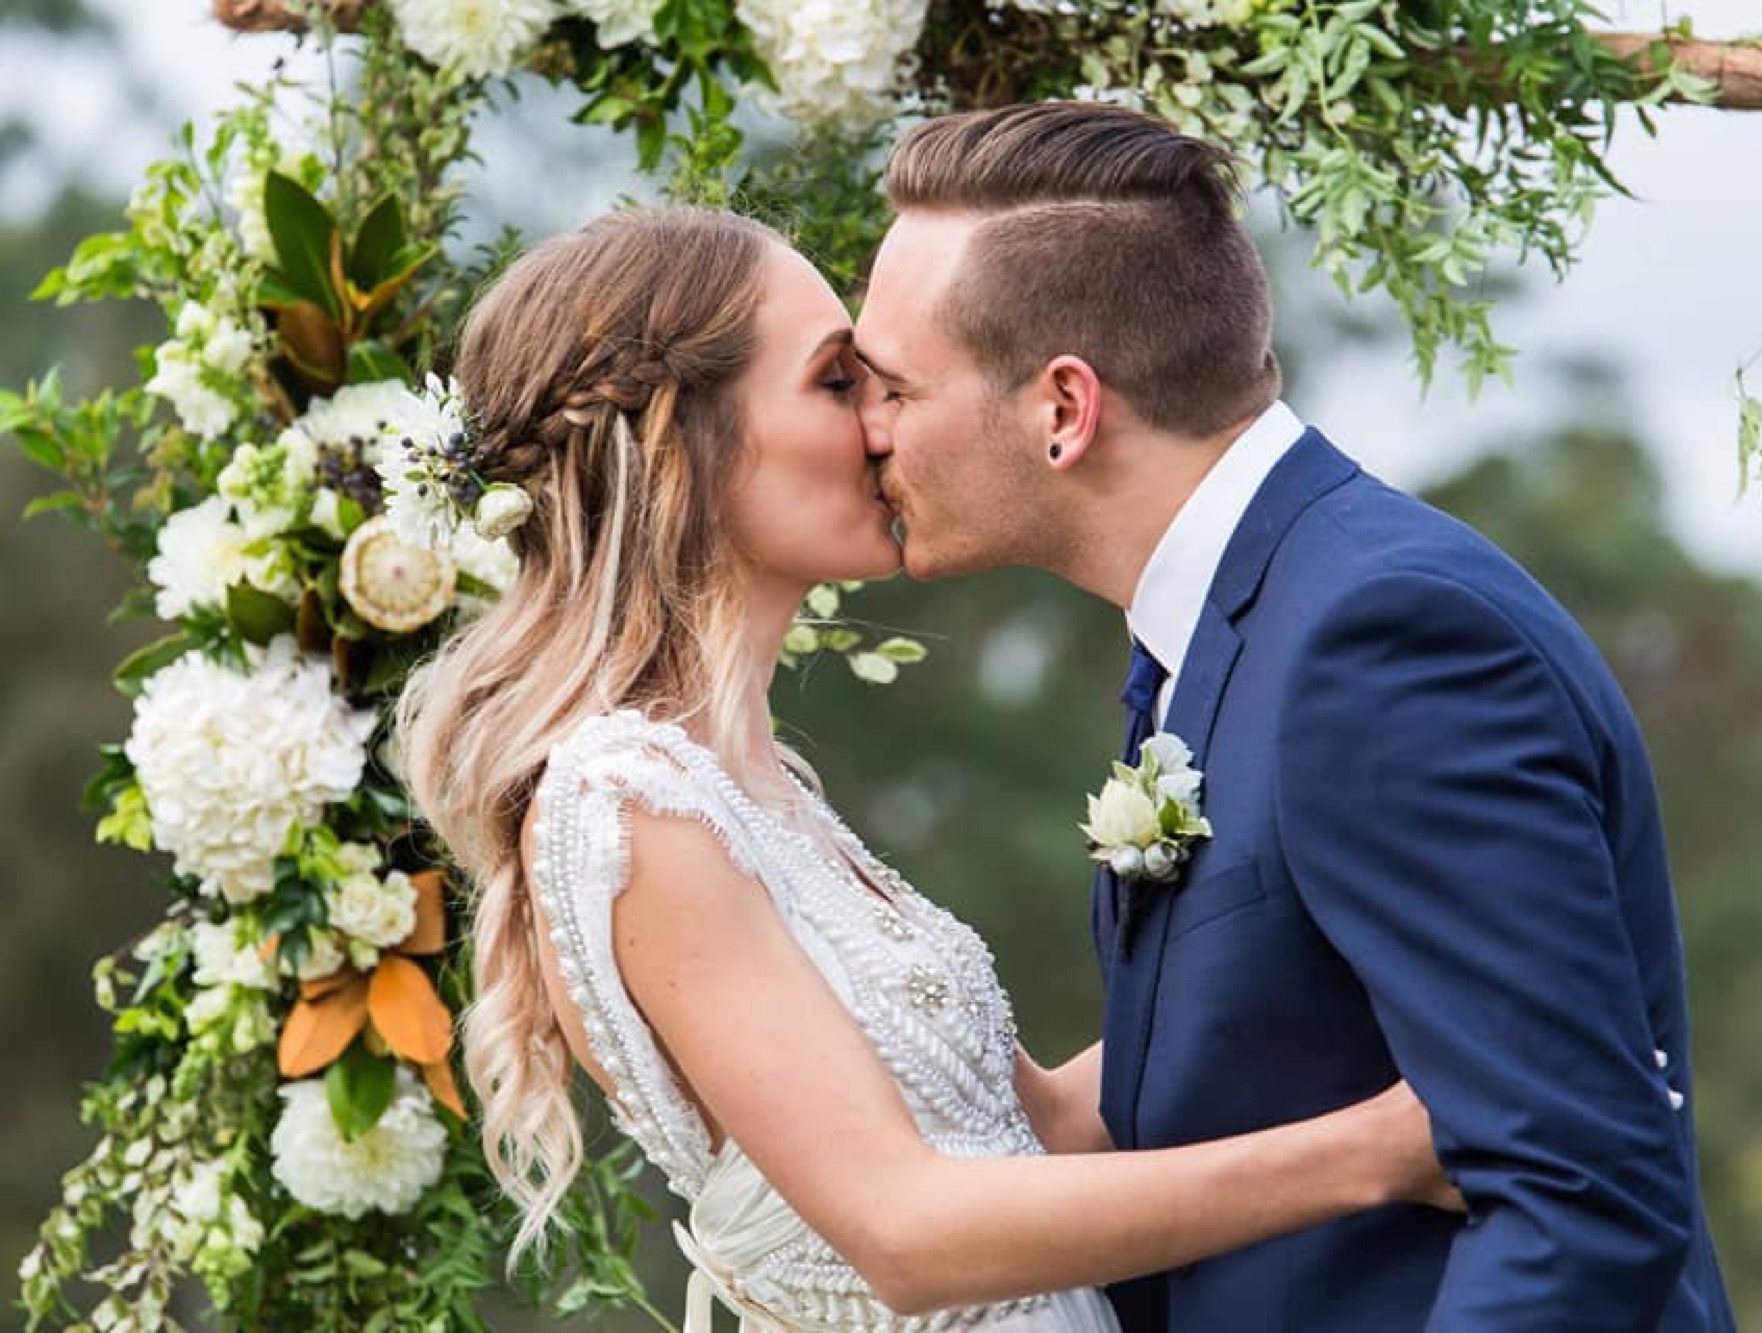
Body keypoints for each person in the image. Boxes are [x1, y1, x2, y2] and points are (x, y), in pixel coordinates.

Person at [396, 204, 1458, 1333]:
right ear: (681, 446)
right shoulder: (629, 804)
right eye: (836, 382)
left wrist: (1328, 934)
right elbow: (906, 1231)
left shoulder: (754, 790)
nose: (884, 424)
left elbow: (1036, 1129)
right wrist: (1381, 1150)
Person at [852, 101, 1738, 1330]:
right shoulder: (1222, 629)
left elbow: (1580, 1193)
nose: (868, 430)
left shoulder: (1381, 639)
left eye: (892, 385)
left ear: (1063, 408)